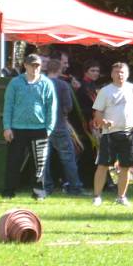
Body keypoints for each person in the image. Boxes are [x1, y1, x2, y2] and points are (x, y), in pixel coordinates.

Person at [91, 62, 133, 207]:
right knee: (103, 165)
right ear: (112, 74)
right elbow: (97, 112)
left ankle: (121, 197)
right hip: (109, 134)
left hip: (129, 133)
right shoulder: (105, 91)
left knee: (126, 166)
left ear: (127, 74)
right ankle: (97, 197)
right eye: (116, 72)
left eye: (122, 72)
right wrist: (103, 121)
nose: (119, 75)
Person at [1, 54, 57, 199]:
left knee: (40, 163)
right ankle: (8, 192)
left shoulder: (47, 83)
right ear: (25, 65)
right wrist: (7, 127)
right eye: (32, 65)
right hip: (17, 128)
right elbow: (8, 106)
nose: (35, 68)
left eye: (37, 65)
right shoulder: (15, 83)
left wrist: (49, 129)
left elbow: (52, 107)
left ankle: (38, 193)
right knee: (13, 161)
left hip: (40, 129)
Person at [43, 58, 85, 195]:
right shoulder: (63, 85)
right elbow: (68, 106)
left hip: (42, 126)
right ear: (59, 70)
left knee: (43, 158)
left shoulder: (39, 84)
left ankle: (46, 187)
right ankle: (74, 187)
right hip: (59, 125)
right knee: (68, 157)